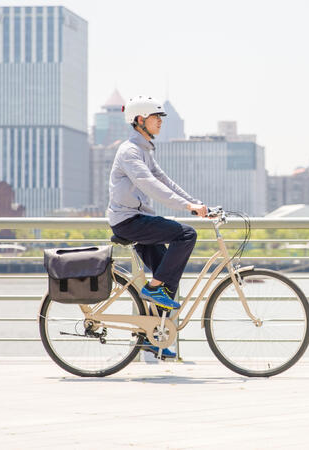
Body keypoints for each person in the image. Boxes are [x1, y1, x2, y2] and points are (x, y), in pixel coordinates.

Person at [107, 95, 208, 358]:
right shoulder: (130, 152)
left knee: (168, 275)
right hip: (129, 221)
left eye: (161, 119)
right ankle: (152, 288)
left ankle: (151, 337)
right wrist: (187, 208)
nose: (160, 123)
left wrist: (196, 203)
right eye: (155, 118)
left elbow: (165, 180)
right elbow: (150, 185)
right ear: (140, 121)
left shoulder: (145, 149)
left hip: (139, 220)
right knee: (186, 234)